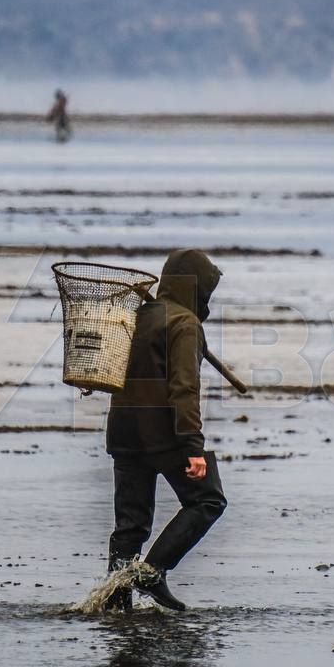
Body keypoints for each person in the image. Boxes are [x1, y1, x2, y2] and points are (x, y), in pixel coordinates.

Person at [104, 249, 227, 612]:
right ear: (196, 289)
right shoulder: (186, 324)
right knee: (207, 500)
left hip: (123, 431)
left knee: (131, 525)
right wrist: (193, 446)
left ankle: (115, 601)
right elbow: (184, 388)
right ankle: (152, 572)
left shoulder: (138, 316)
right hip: (163, 433)